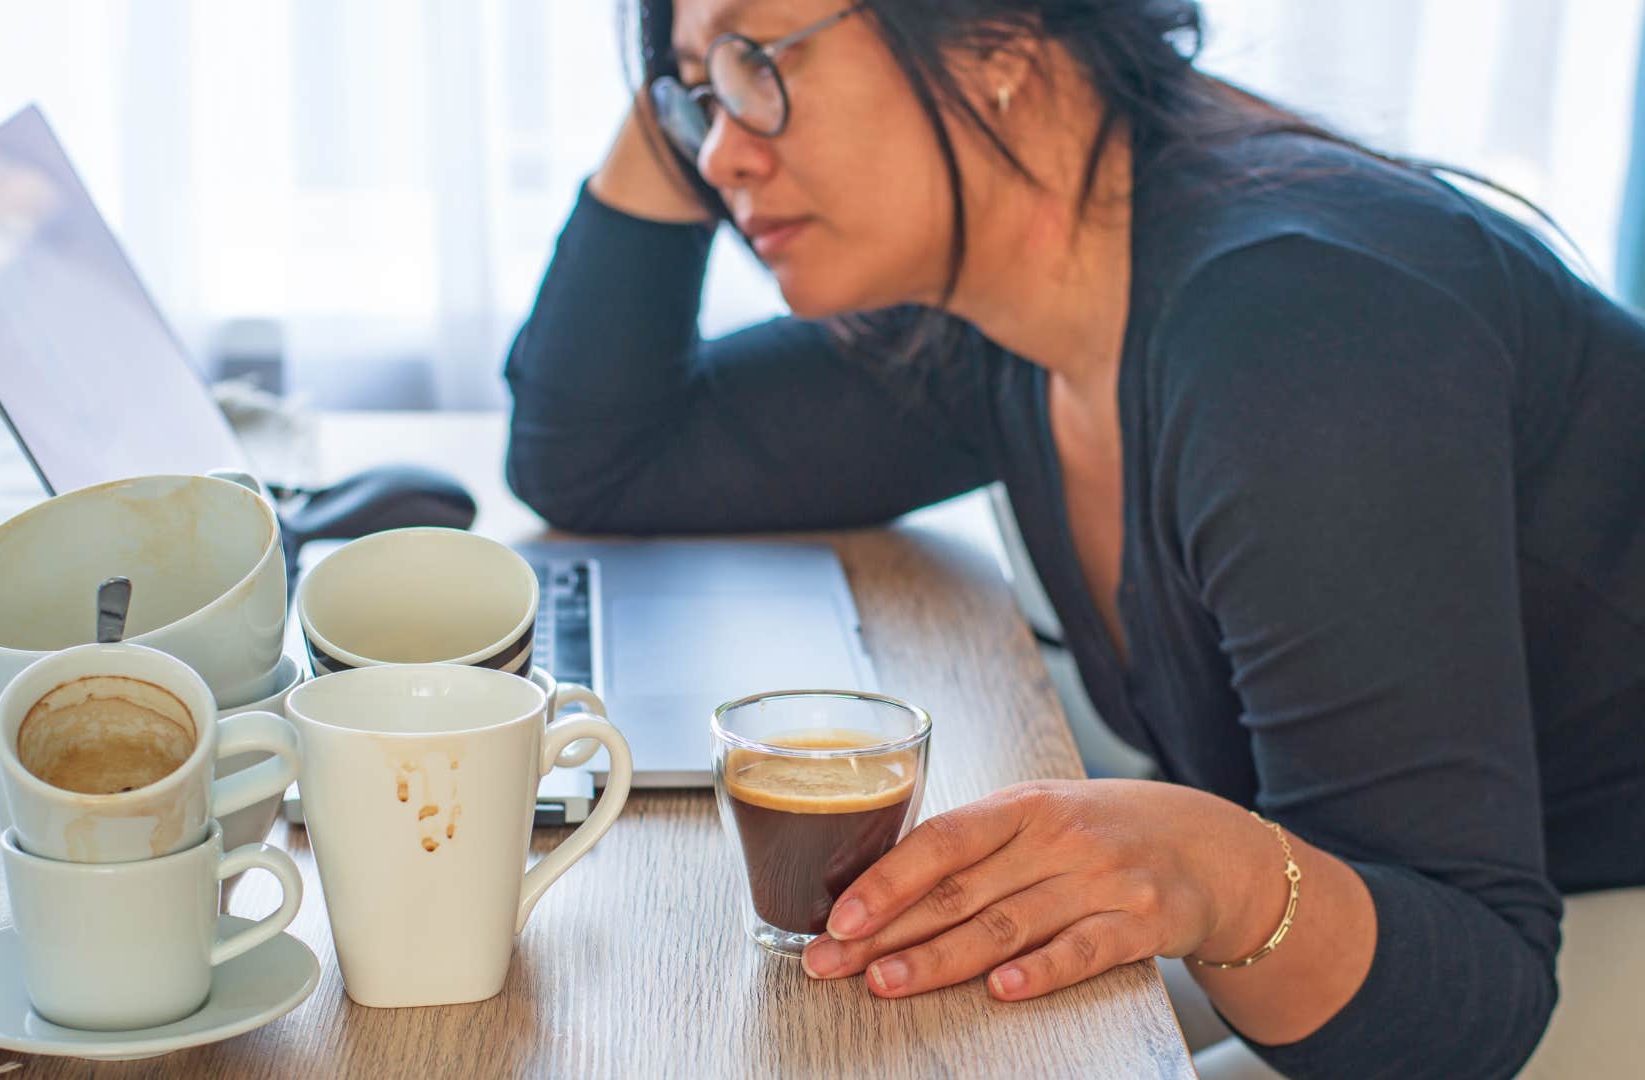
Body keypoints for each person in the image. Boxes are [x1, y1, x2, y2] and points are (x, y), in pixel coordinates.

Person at [503, 2, 1645, 1076]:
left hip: (1563, 942)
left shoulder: (1296, 337)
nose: (717, 157)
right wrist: (690, 76)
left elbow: (1473, 1004)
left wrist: (1218, 875)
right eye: (697, 101)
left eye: (764, 61)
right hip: (1411, 932)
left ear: (999, 40)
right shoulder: (1011, 311)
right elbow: (599, 453)